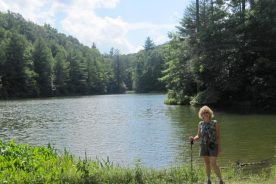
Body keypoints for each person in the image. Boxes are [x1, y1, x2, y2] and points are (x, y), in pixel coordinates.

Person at [190, 105, 224, 184]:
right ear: (201, 114)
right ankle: (208, 180)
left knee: (213, 163)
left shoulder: (215, 123)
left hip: (213, 145)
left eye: (207, 112)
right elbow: (198, 135)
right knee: (207, 163)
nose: (205, 114)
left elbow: (218, 136)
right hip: (203, 145)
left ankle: (220, 180)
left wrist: (219, 147)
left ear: (210, 113)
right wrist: (193, 138)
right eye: (203, 112)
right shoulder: (200, 124)